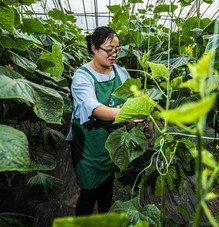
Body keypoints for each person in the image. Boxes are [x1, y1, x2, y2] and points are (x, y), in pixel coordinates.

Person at [66, 26, 130, 216]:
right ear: (94, 48)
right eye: (109, 49)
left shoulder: (121, 73)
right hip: (89, 146)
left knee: (107, 184)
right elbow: (96, 109)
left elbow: (131, 97)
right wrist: (128, 114)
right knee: (89, 191)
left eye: (117, 49)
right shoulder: (82, 76)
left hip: (112, 142)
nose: (114, 54)